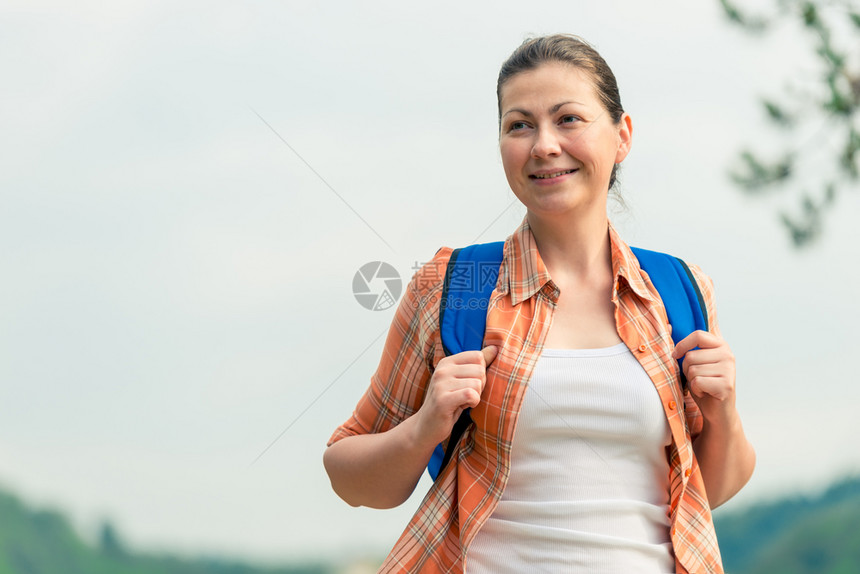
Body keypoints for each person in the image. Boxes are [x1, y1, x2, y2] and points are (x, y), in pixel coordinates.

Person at [323, 34, 755, 573]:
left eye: (568, 119)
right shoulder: (453, 285)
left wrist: (724, 413)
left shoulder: (678, 288)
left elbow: (707, 492)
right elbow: (348, 473)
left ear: (622, 135)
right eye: (519, 125)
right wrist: (425, 427)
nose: (543, 145)